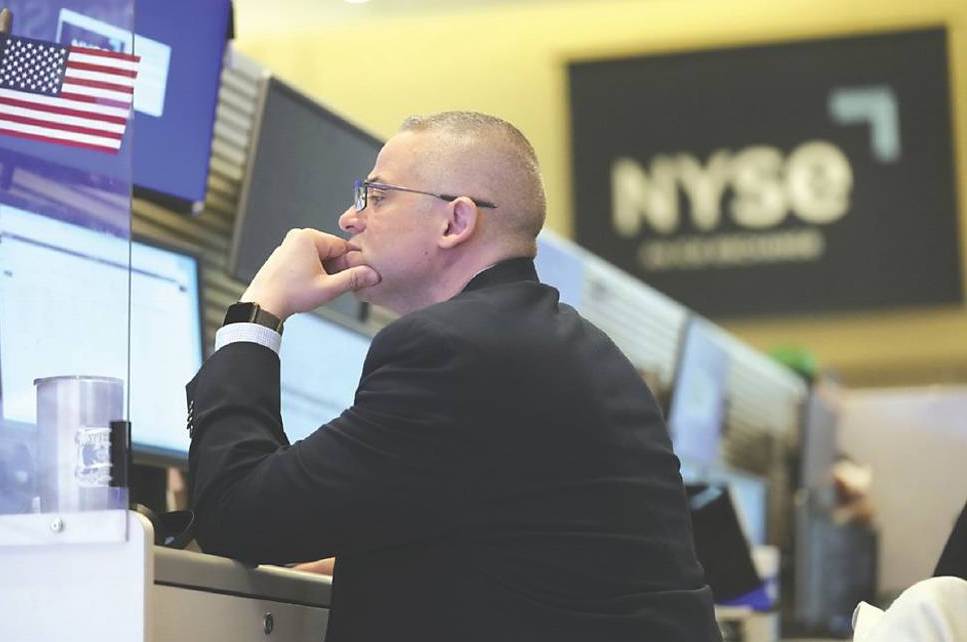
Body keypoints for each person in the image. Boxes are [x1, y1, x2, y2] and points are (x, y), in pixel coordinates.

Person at [187, 111, 721, 642]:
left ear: (455, 222)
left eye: (376, 196)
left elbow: (238, 516)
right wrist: (375, 564)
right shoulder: (582, 349)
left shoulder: (449, 348)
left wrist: (256, 313)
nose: (349, 218)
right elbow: (525, 547)